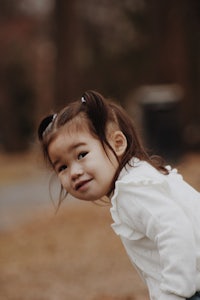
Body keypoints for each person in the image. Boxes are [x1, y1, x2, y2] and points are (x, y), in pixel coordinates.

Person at [38, 90, 200, 300]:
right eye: (62, 167)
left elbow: (175, 231)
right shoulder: (140, 176)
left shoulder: (132, 190)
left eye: (82, 154)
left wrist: (173, 293)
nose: (74, 172)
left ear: (118, 143)